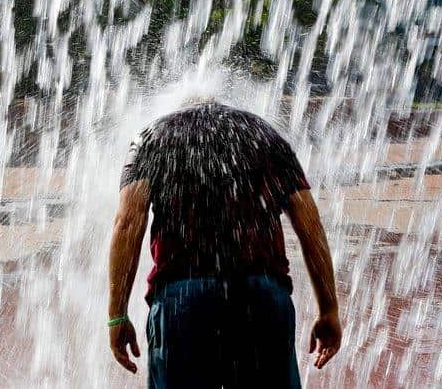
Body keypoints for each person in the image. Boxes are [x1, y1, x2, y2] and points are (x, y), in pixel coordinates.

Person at [108, 101, 341, 389]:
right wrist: (328, 308)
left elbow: (127, 223)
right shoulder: (266, 137)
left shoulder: (151, 139)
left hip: (183, 301)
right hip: (261, 297)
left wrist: (117, 314)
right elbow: (311, 227)